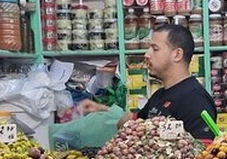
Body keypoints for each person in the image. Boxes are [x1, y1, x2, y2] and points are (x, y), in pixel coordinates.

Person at [81, 24, 217, 139]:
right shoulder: (160, 95)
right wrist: (103, 110)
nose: (147, 54)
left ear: (177, 54)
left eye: (155, 49)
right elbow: (133, 121)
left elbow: (202, 157)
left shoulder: (195, 100)